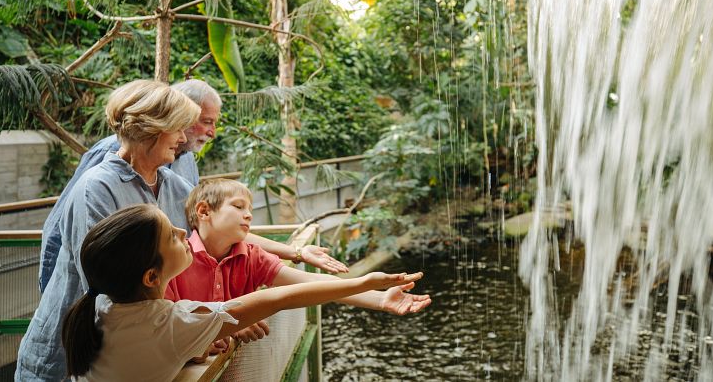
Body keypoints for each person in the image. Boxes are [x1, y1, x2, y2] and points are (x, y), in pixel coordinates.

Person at [38, 79, 346, 293]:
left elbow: (209, 229)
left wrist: (295, 253)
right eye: (206, 121)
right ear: (163, 123)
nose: (204, 134)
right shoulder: (102, 176)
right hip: (87, 330)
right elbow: (69, 244)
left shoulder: (178, 170)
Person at [61, 203, 424, 381]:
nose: (179, 230)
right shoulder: (170, 324)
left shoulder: (100, 304)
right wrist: (363, 283)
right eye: (170, 235)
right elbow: (275, 298)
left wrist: (194, 348)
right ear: (152, 277)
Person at [16, 79, 201, 381]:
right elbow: (105, 287)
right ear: (151, 128)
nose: (182, 138)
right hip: (71, 360)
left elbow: (211, 232)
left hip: (130, 353)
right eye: (178, 127)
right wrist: (180, 336)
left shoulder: (175, 186)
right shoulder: (96, 189)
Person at [166, 178, 432, 349]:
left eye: (249, 208)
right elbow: (163, 322)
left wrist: (379, 299)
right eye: (238, 206)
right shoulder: (174, 259)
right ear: (204, 211)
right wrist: (226, 325)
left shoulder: (252, 256)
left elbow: (311, 283)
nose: (248, 214)